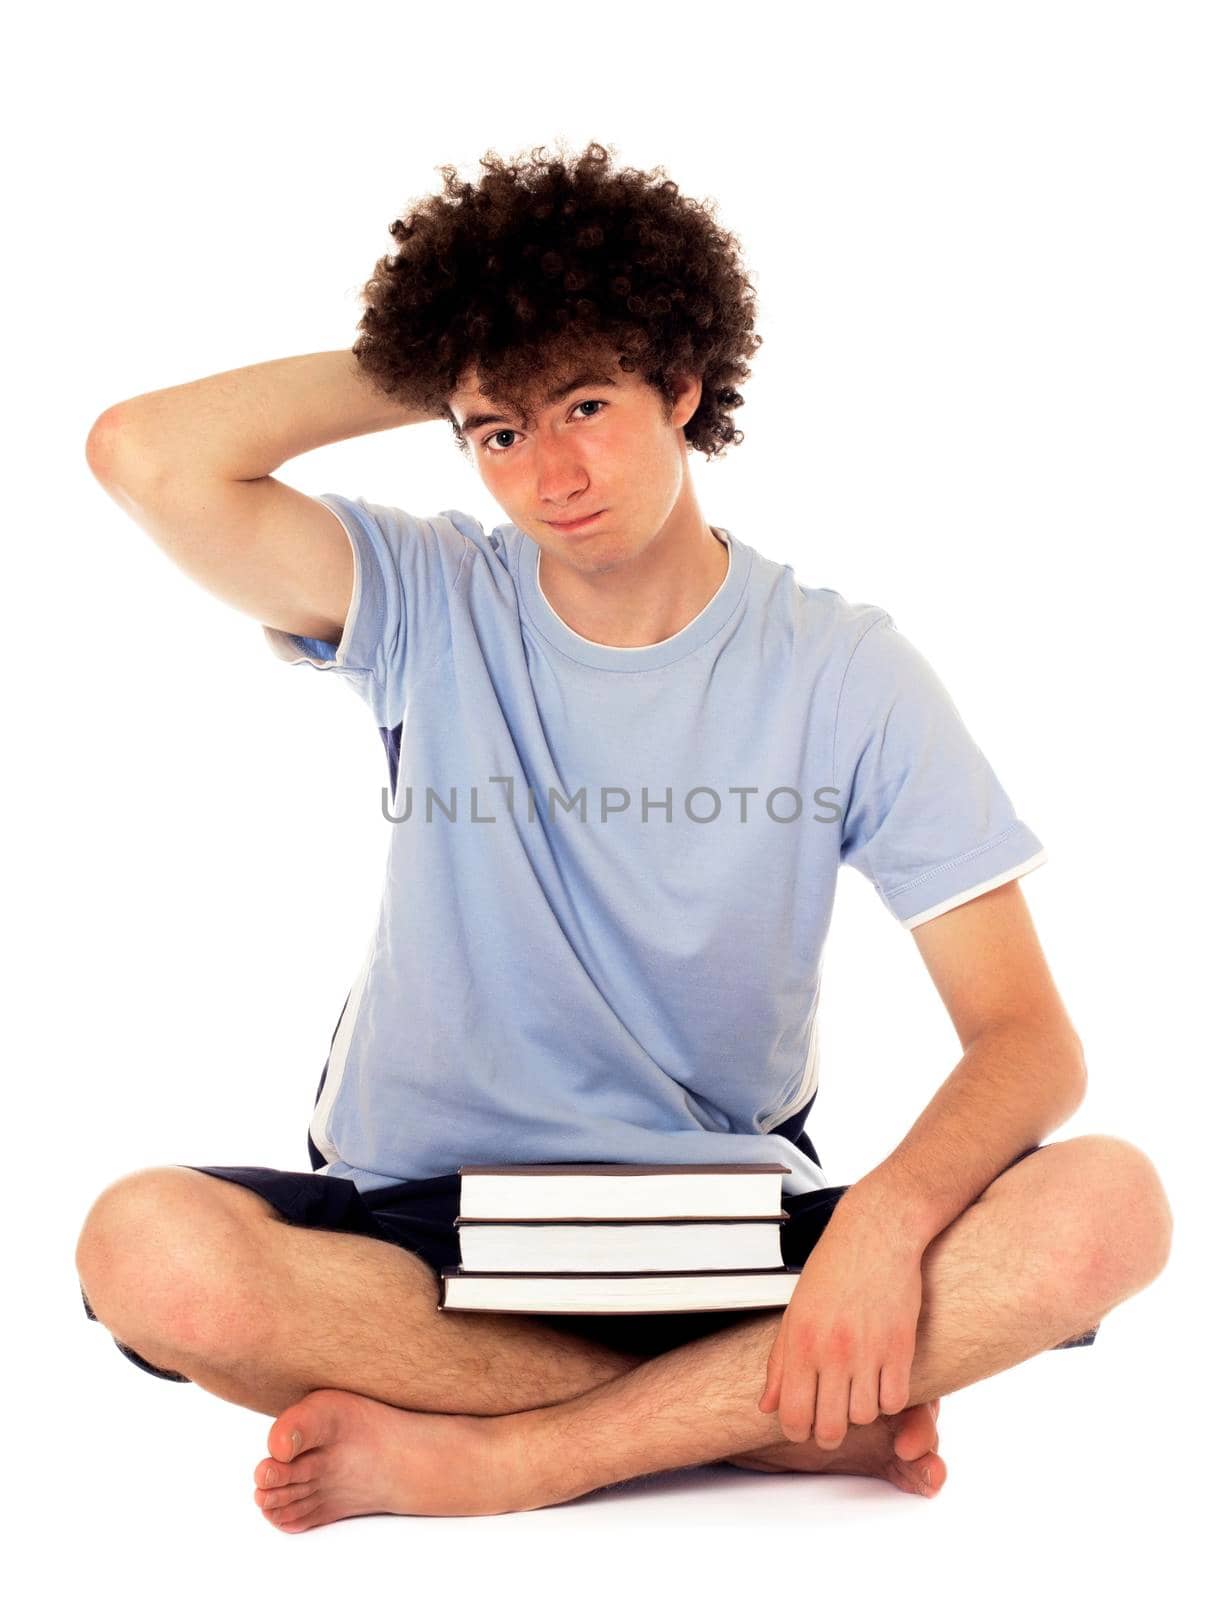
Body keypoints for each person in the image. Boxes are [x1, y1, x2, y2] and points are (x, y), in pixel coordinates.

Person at [76, 139, 1171, 1529]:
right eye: (499, 430)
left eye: (586, 401)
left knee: (1111, 1208)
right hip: (425, 1236)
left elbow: (1030, 1041)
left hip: (731, 1231)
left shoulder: (842, 668)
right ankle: (766, 1416)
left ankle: (523, 1454)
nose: (551, 470)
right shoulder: (430, 600)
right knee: (146, 1251)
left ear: (684, 381)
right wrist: (457, 344)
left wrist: (882, 1231)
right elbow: (145, 455)